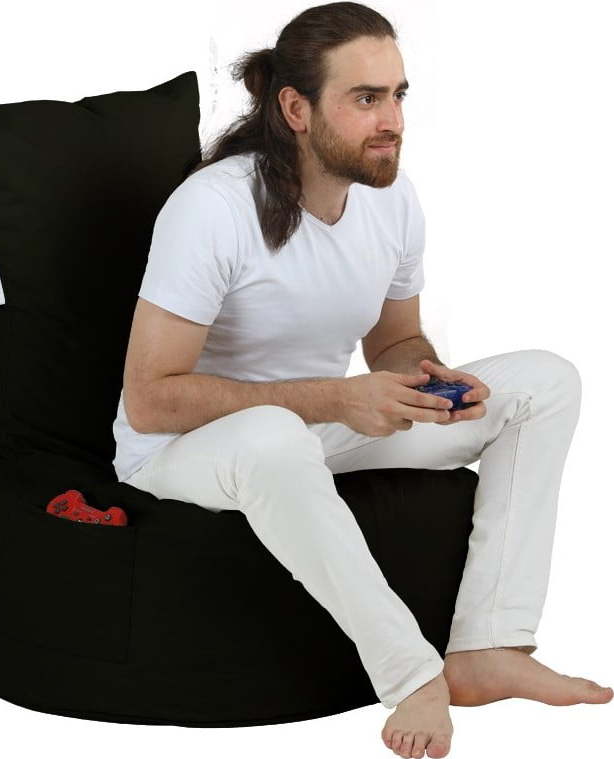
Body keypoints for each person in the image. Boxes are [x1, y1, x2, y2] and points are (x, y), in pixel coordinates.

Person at [112, 3, 612, 757]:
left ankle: (489, 643)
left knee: (545, 381)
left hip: (311, 430)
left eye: (398, 95)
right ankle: (411, 674)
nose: (392, 121)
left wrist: (428, 379)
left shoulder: (390, 198)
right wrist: (336, 398)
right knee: (274, 436)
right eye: (366, 98)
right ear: (296, 110)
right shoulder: (212, 208)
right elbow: (150, 399)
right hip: (185, 450)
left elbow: (395, 340)